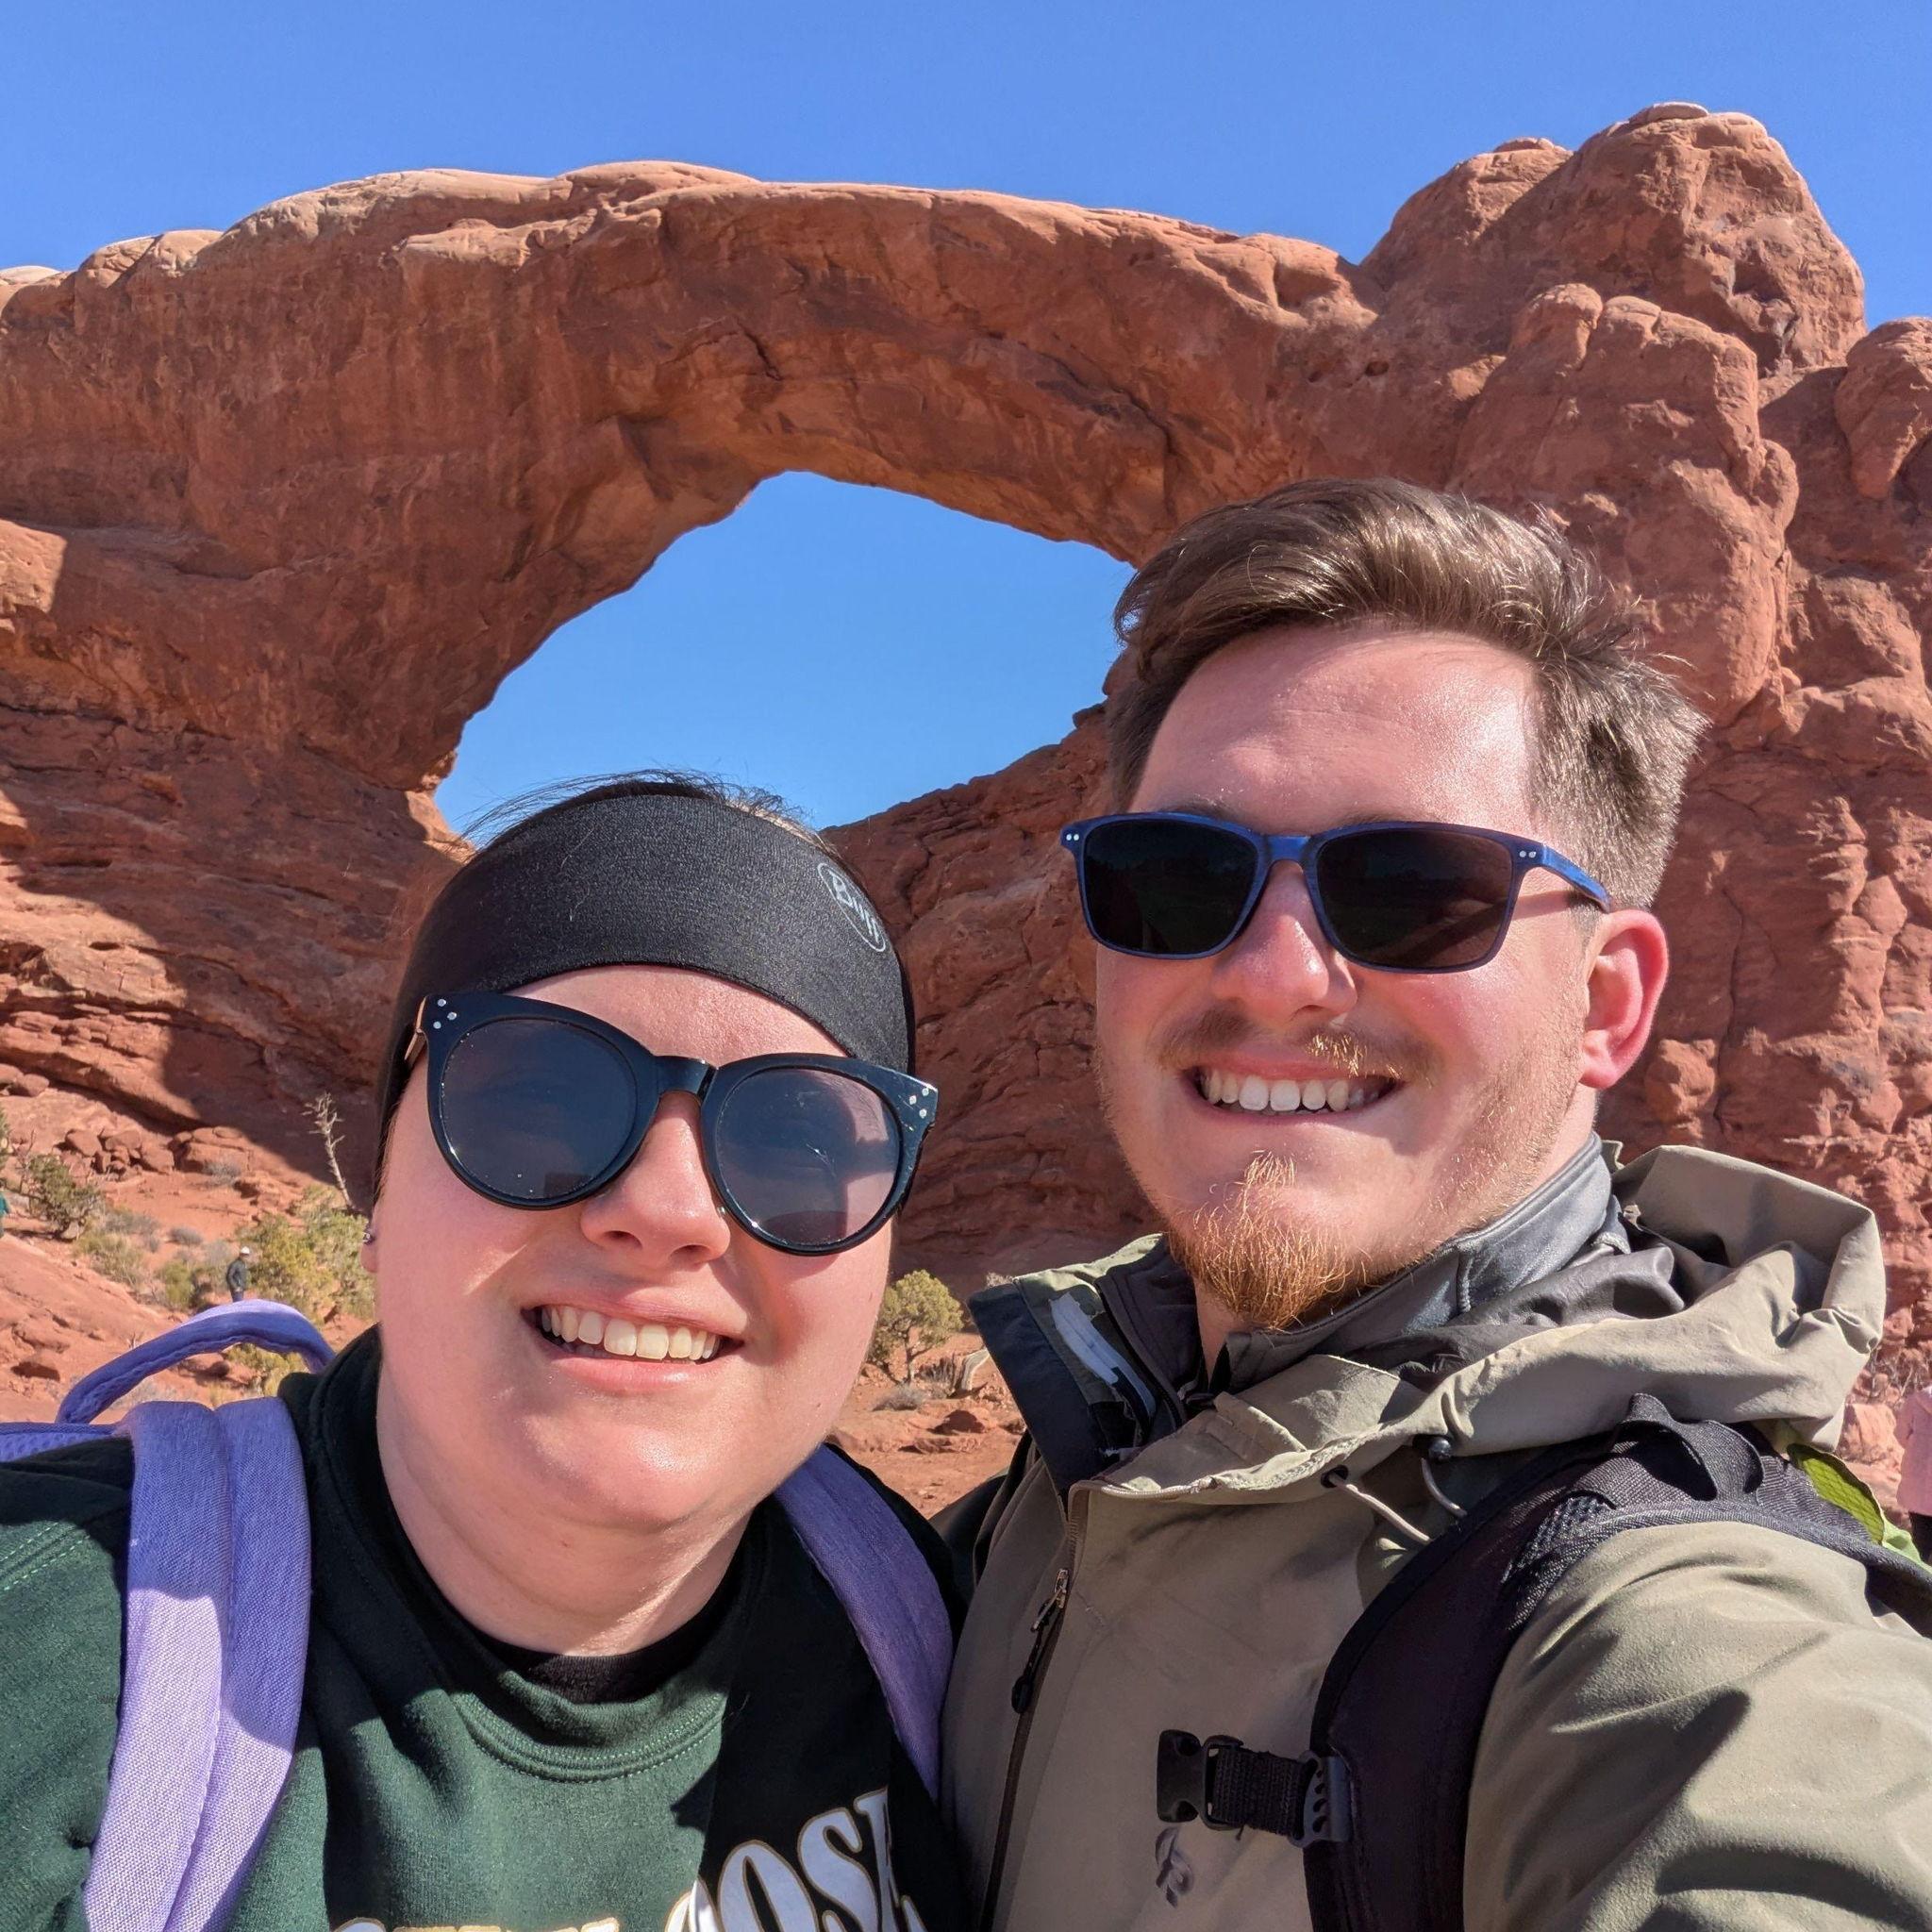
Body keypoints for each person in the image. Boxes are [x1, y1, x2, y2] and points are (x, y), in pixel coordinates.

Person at [941, 480, 1932, 1930]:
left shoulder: (1680, 1645)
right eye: (1181, 877)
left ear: (1606, 1003)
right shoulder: (1063, 1473)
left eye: (1412, 888)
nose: (1274, 972)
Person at [0, 774, 969, 1932]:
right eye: (539, 1099)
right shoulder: (44, 1655)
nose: (667, 1207)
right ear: (376, 1181)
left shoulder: (928, 1620)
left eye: (800, 1138)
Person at [1900, 1383, 1932, 1560]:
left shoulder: (1914, 1401)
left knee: (1920, 1543)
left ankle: (1918, 1581)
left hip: (1917, 1488)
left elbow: (1900, 1435)